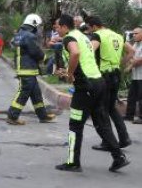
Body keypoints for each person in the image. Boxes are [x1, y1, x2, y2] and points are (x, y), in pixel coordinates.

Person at [54, 14, 129, 172]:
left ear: (64, 27)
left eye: (57, 27)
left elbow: (75, 54)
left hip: (85, 87)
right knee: (101, 122)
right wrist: (67, 71)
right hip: (99, 83)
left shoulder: (69, 38)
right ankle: (119, 157)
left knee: (75, 124)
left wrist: (69, 75)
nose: (56, 29)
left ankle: (73, 162)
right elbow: (84, 60)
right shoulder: (83, 36)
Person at [86, 16, 132, 151]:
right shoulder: (117, 35)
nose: (89, 32)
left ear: (94, 26)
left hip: (103, 76)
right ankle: (124, 138)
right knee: (111, 107)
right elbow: (131, 51)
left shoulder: (97, 35)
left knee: (102, 109)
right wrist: (119, 64)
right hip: (116, 74)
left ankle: (108, 142)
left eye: (88, 28)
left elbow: (89, 52)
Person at [6, 14, 55, 125]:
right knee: (23, 93)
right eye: (37, 26)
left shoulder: (19, 35)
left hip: (25, 68)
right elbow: (35, 51)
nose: (38, 29)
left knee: (36, 94)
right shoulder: (29, 36)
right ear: (33, 25)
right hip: (27, 69)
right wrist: (45, 58)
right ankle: (12, 116)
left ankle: (43, 116)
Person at [125, 27, 142, 123]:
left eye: (136, 33)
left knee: (141, 97)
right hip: (135, 76)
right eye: (133, 33)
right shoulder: (136, 44)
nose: (134, 35)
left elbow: (139, 60)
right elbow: (131, 56)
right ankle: (129, 115)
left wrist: (129, 66)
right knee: (131, 96)